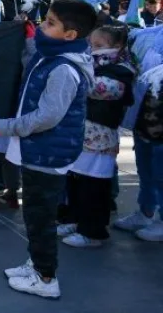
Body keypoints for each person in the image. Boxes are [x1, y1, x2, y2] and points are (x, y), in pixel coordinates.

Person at [0, 0, 96, 299]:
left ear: (70, 36)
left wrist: (7, 127)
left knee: (40, 217)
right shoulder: (50, 57)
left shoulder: (64, 69)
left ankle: (46, 277)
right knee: (34, 214)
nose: (42, 26)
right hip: (39, 150)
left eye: (50, 23)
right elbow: (30, 54)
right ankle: (36, 263)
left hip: (47, 153)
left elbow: (48, 117)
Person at [56, 25, 134, 248]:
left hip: (100, 140)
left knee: (94, 188)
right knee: (74, 182)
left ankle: (93, 232)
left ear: (116, 47)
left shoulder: (122, 71)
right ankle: (73, 219)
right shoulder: (90, 65)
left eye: (99, 46)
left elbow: (95, 88)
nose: (93, 50)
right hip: (80, 137)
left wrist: (72, 72)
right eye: (91, 44)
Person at [113, 42, 163, 242]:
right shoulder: (150, 38)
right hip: (146, 126)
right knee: (146, 171)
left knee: (161, 176)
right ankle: (146, 212)